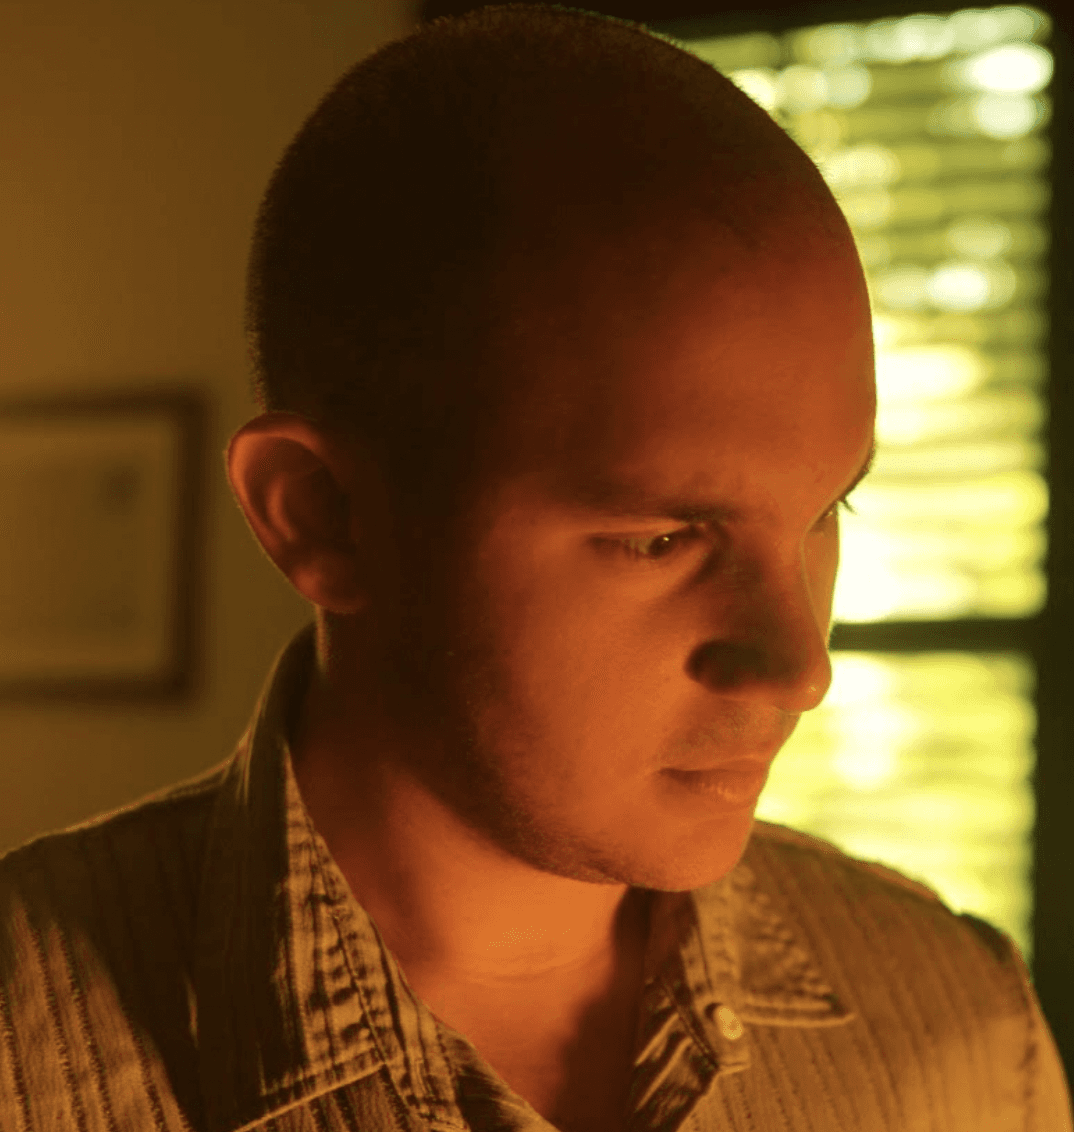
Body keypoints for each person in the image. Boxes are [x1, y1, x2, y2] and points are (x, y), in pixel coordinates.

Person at [1, 5, 1070, 1130]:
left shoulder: (961, 1036)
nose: (801, 665)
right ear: (323, 518)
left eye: (825, 509)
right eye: (660, 538)